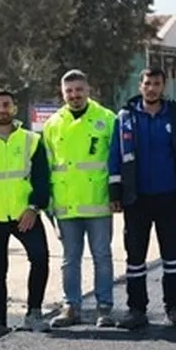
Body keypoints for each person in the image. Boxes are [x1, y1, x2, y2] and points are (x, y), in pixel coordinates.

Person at [110, 67, 176, 330]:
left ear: (163, 86)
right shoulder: (124, 118)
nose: (152, 88)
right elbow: (114, 155)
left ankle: (174, 309)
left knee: (172, 257)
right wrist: (115, 191)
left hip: (169, 197)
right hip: (136, 199)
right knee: (135, 258)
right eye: (148, 83)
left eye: (157, 84)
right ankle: (136, 310)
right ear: (140, 86)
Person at [0, 90, 52, 344]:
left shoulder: (31, 140)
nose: (2, 109)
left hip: (24, 214)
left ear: (14, 108)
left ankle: (34, 314)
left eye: (6, 105)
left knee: (39, 258)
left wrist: (34, 207)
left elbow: (41, 178)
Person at [42, 70, 118, 328]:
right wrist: (50, 206)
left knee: (102, 257)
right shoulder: (53, 124)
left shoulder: (107, 119)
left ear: (88, 90)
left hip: (98, 202)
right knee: (69, 260)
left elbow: (116, 161)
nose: (74, 96)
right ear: (62, 93)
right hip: (66, 205)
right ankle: (71, 306)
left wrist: (117, 195)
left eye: (78, 90)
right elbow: (49, 165)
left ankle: (104, 307)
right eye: (69, 91)